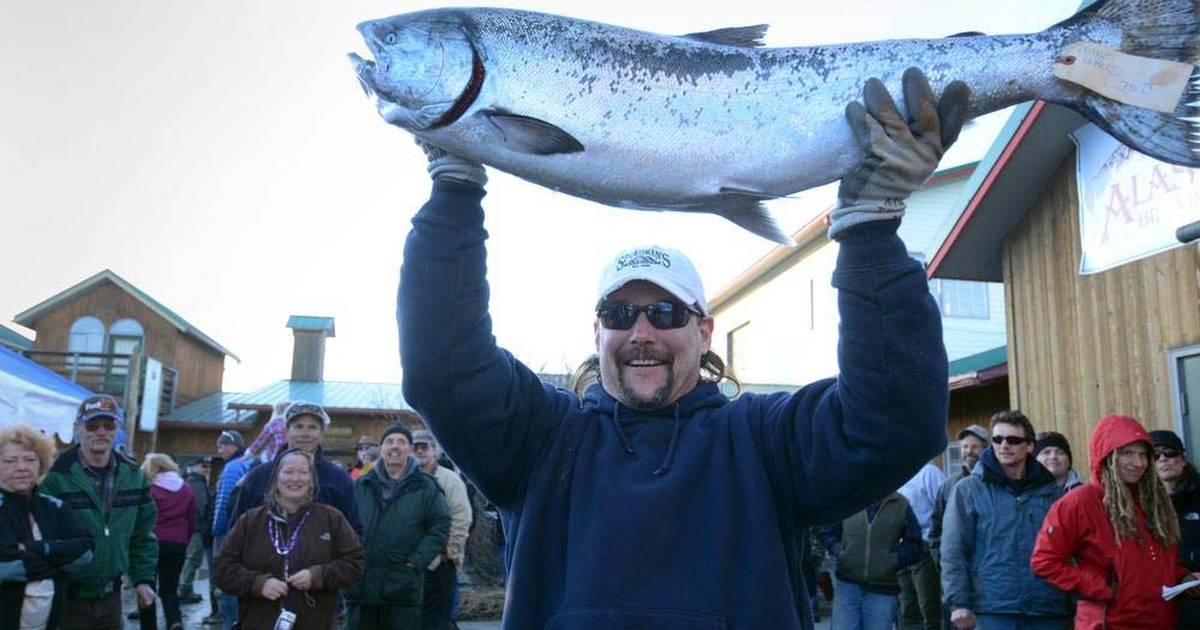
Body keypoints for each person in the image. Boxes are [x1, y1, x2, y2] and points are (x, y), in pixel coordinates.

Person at [396, 67, 967, 629]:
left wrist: (870, 228)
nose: (642, 332)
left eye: (666, 312)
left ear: (704, 331)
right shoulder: (540, 442)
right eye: (620, 314)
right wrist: (455, 186)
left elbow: (894, 424)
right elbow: (443, 368)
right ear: (598, 334)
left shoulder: (765, 442)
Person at [1031, 415, 1198, 629]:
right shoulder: (1079, 502)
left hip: (1160, 619)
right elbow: (1045, 562)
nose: (1138, 463)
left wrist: (1183, 578)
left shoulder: (1152, 501)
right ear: (1107, 455)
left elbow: (1159, 559)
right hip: (1108, 621)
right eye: (1127, 453)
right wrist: (1102, 588)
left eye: (1143, 454)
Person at [940, 410, 1069, 629]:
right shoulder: (968, 490)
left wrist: (1077, 600)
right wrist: (958, 602)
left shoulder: (1053, 493)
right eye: (998, 439)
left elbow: (1069, 550)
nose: (1004, 445)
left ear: (1029, 446)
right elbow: (953, 550)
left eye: (1013, 440)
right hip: (993, 608)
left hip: (1047, 606)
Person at [41, 394, 158, 630]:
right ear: (77, 428)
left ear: (117, 429)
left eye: (109, 425)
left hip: (111, 600)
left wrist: (143, 580)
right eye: (93, 425)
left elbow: (143, 536)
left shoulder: (135, 477)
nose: (101, 432)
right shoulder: (54, 479)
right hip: (66, 598)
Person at [212, 449, 364, 630]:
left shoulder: (331, 518)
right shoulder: (250, 521)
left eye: (303, 472)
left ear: (311, 479)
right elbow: (222, 568)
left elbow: (355, 562)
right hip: (259, 622)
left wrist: (319, 576)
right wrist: (257, 584)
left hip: (315, 623)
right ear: (276, 477)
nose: (295, 478)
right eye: (289, 471)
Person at [345, 423, 450, 629]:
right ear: (381, 448)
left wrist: (417, 561)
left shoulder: (426, 486)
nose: (395, 447)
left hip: (401, 587)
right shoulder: (361, 484)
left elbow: (440, 526)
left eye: (402, 442)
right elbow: (344, 524)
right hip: (361, 587)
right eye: (389, 441)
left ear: (410, 450)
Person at [0, 423, 94, 630]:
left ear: (41, 465)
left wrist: (37, 548)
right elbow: (5, 565)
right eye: (10, 461)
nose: (22, 467)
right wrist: (58, 561)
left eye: (30, 459)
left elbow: (85, 552)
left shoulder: (53, 505)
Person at [230, 401, 362, 536]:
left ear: (322, 434)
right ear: (286, 431)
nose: (305, 433)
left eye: (312, 427)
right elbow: (236, 532)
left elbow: (353, 533)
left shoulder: (338, 479)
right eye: (298, 426)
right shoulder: (259, 476)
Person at [819, 492, 923, 629]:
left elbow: (915, 544)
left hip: (883, 589)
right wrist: (839, 550)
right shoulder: (847, 498)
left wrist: (894, 559)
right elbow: (827, 530)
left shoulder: (900, 503)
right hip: (847, 586)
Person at [412, 429, 471, 630]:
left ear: (435, 451)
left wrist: (449, 552)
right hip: (411, 563)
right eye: (415, 448)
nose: (420, 452)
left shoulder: (450, 480)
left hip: (440, 563)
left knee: (438, 620)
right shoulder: (406, 479)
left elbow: (462, 517)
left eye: (424, 447)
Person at [136, 453, 195, 630]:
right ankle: (174, 621)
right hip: (177, 543)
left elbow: (141, 518)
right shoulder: (186, 488)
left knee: (147, 589)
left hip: (151, 543)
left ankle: (149, 626)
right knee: (170, 589)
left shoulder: (148, 488)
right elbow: (191, 518)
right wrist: (185, 539)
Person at [1151, 429, 1200, 629]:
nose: (1164, 459)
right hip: (1159, 596)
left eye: (1170, 453)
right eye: (1156, 455)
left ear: (1182, 458)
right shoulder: (1139, 503)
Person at [930, 425, 988, 569]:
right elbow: (936, 526)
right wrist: (939, 558)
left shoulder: (994, 483)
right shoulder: (948, 485)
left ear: (986, 449)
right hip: (956, 567)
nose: (969, 451)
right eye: (965, 447)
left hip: (988, 567)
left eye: (975, 447)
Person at [210, 430, 252, 629]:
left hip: (229, 532)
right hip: (248, 533)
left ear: (233, 445)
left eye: (223, 445)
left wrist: (216, 530)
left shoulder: (232, 468)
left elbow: (224, 502)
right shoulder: (249, 463)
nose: (220, 450)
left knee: (226, 584)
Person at [897, 460, 945, 630]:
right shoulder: (893, 475)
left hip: (923, 547)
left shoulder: (928, 473)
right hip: (899, 548)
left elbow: (943, 508)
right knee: (906, 608)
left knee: (929, 605)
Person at [178, 456, 213, 606]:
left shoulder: (192, 481)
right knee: (193, 559)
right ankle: (184, 589)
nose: (207, 469)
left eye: (209, 466)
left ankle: (185, 588)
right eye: (204, 466)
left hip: (190, 527)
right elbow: (200, 506)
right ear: (195, 466)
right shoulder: (196, 482)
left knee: (192, 559)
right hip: (195, 528)